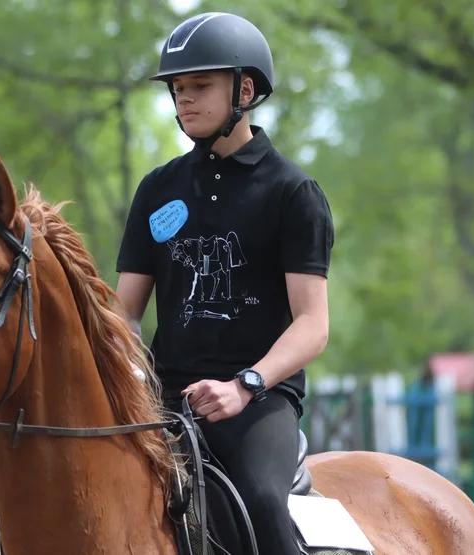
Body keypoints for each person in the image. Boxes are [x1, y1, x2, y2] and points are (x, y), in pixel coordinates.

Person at [115, 12, 334, 555]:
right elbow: (124, 314)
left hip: (258, 401)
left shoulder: (292, 192)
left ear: (246, 88)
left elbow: (313, 325)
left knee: (263, 496)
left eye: (200, 86)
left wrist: (245, 386)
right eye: (178, 88)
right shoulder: (157, 190)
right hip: (163, 397)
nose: (184, 99)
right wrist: (124, 380)